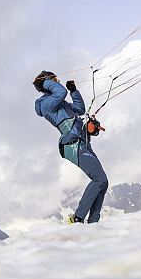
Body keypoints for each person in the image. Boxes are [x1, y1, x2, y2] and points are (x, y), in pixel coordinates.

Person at [33, 70, 108, 223]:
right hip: (72, 144)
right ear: (47, 83)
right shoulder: (44, 104)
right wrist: (45, 81)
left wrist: (74, 91)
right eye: (54, 80)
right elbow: (60, 92)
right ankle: (78, 218)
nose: (58, 82)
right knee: (99, 179)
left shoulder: (61, 103)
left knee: (103, 181)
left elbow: (80, 110)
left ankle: (93, 222)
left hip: (81, 141)